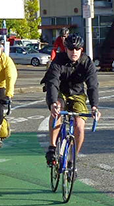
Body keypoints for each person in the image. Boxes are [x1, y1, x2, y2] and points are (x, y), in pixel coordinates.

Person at [41, 34, 101, 165]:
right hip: (59, 92)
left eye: (77, 49)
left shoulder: (87, 62)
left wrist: (94, 106)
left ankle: (73, 159)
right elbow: (53, 82)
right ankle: (52, 147)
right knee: (57, 108)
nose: (74, 52)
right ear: (66, 49)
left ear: (81, 49)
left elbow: (92, 85)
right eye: (71, 49)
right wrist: (52, 103)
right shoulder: (58, 60)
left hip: (77, 93)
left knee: (79, 125)